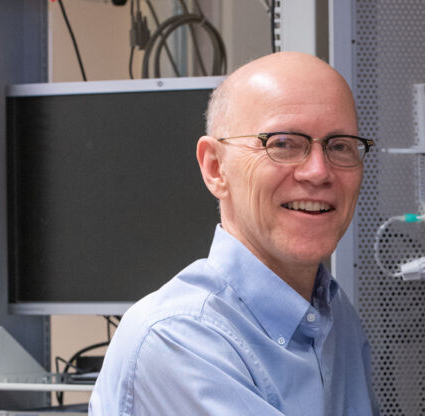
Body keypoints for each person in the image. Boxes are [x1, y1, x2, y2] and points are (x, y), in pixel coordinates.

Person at [89, 52, 378, 415]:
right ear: (215, 168)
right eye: (283, 143)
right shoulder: (178, 339)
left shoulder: (335, 315)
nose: (318, 172)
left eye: (339, 146)